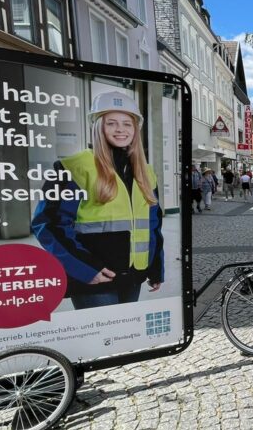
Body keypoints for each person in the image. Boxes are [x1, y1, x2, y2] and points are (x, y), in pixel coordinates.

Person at [32, 91, 164, 309]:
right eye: (111, 123)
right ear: (98, 126)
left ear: (135, 130)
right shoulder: (74, 167)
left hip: (133, 276)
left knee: (125, 338)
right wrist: (86, 269)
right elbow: (47, 224)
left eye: (127, 124)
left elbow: (153, 225)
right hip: (94, 277)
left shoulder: (146, 173)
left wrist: (155, 267)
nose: (120, 129)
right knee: (101, 341)